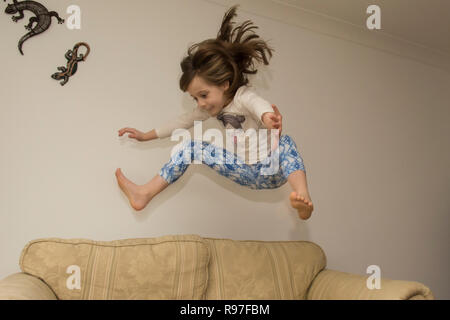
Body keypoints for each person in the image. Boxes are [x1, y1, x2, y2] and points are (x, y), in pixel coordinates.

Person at [115, 5, 314, 220]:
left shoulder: (242, 96)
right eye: (195, 98)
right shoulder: (209, 111)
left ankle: (302, 197)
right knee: (190, 147)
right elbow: (181, 122)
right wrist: (146, 135)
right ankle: (145, 193)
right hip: (244, 170)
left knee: (286, 143)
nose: (200, 103)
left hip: (272, 168)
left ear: (225, 84)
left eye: (203, 95)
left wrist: (267, 117)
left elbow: (258, 104)